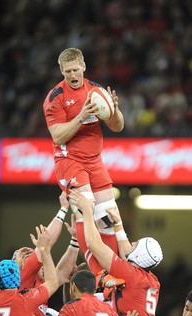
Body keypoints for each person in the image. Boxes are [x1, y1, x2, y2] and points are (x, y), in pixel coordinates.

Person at [68, 189, 163, 316]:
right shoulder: (152, 280)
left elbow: (94, 244)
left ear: (138, 255)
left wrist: (85, 210)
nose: (131, 245)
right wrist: (119, 225)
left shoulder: (130, 274)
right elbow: (128, 253)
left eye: (136, 245)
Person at [43, 47, 124, 249]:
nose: (73, 75)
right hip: (70, 161)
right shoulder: (56, 97)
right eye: (68, 71)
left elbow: (118, 127)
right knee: (86, 210)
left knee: (107, 216)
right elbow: (58, 135)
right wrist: (81, 115)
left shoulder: (96, 91)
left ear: (84, 67)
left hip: (95, 161)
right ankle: (97, 272)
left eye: (75, 70)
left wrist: (114, 111)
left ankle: (109, 270)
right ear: (62, 71)